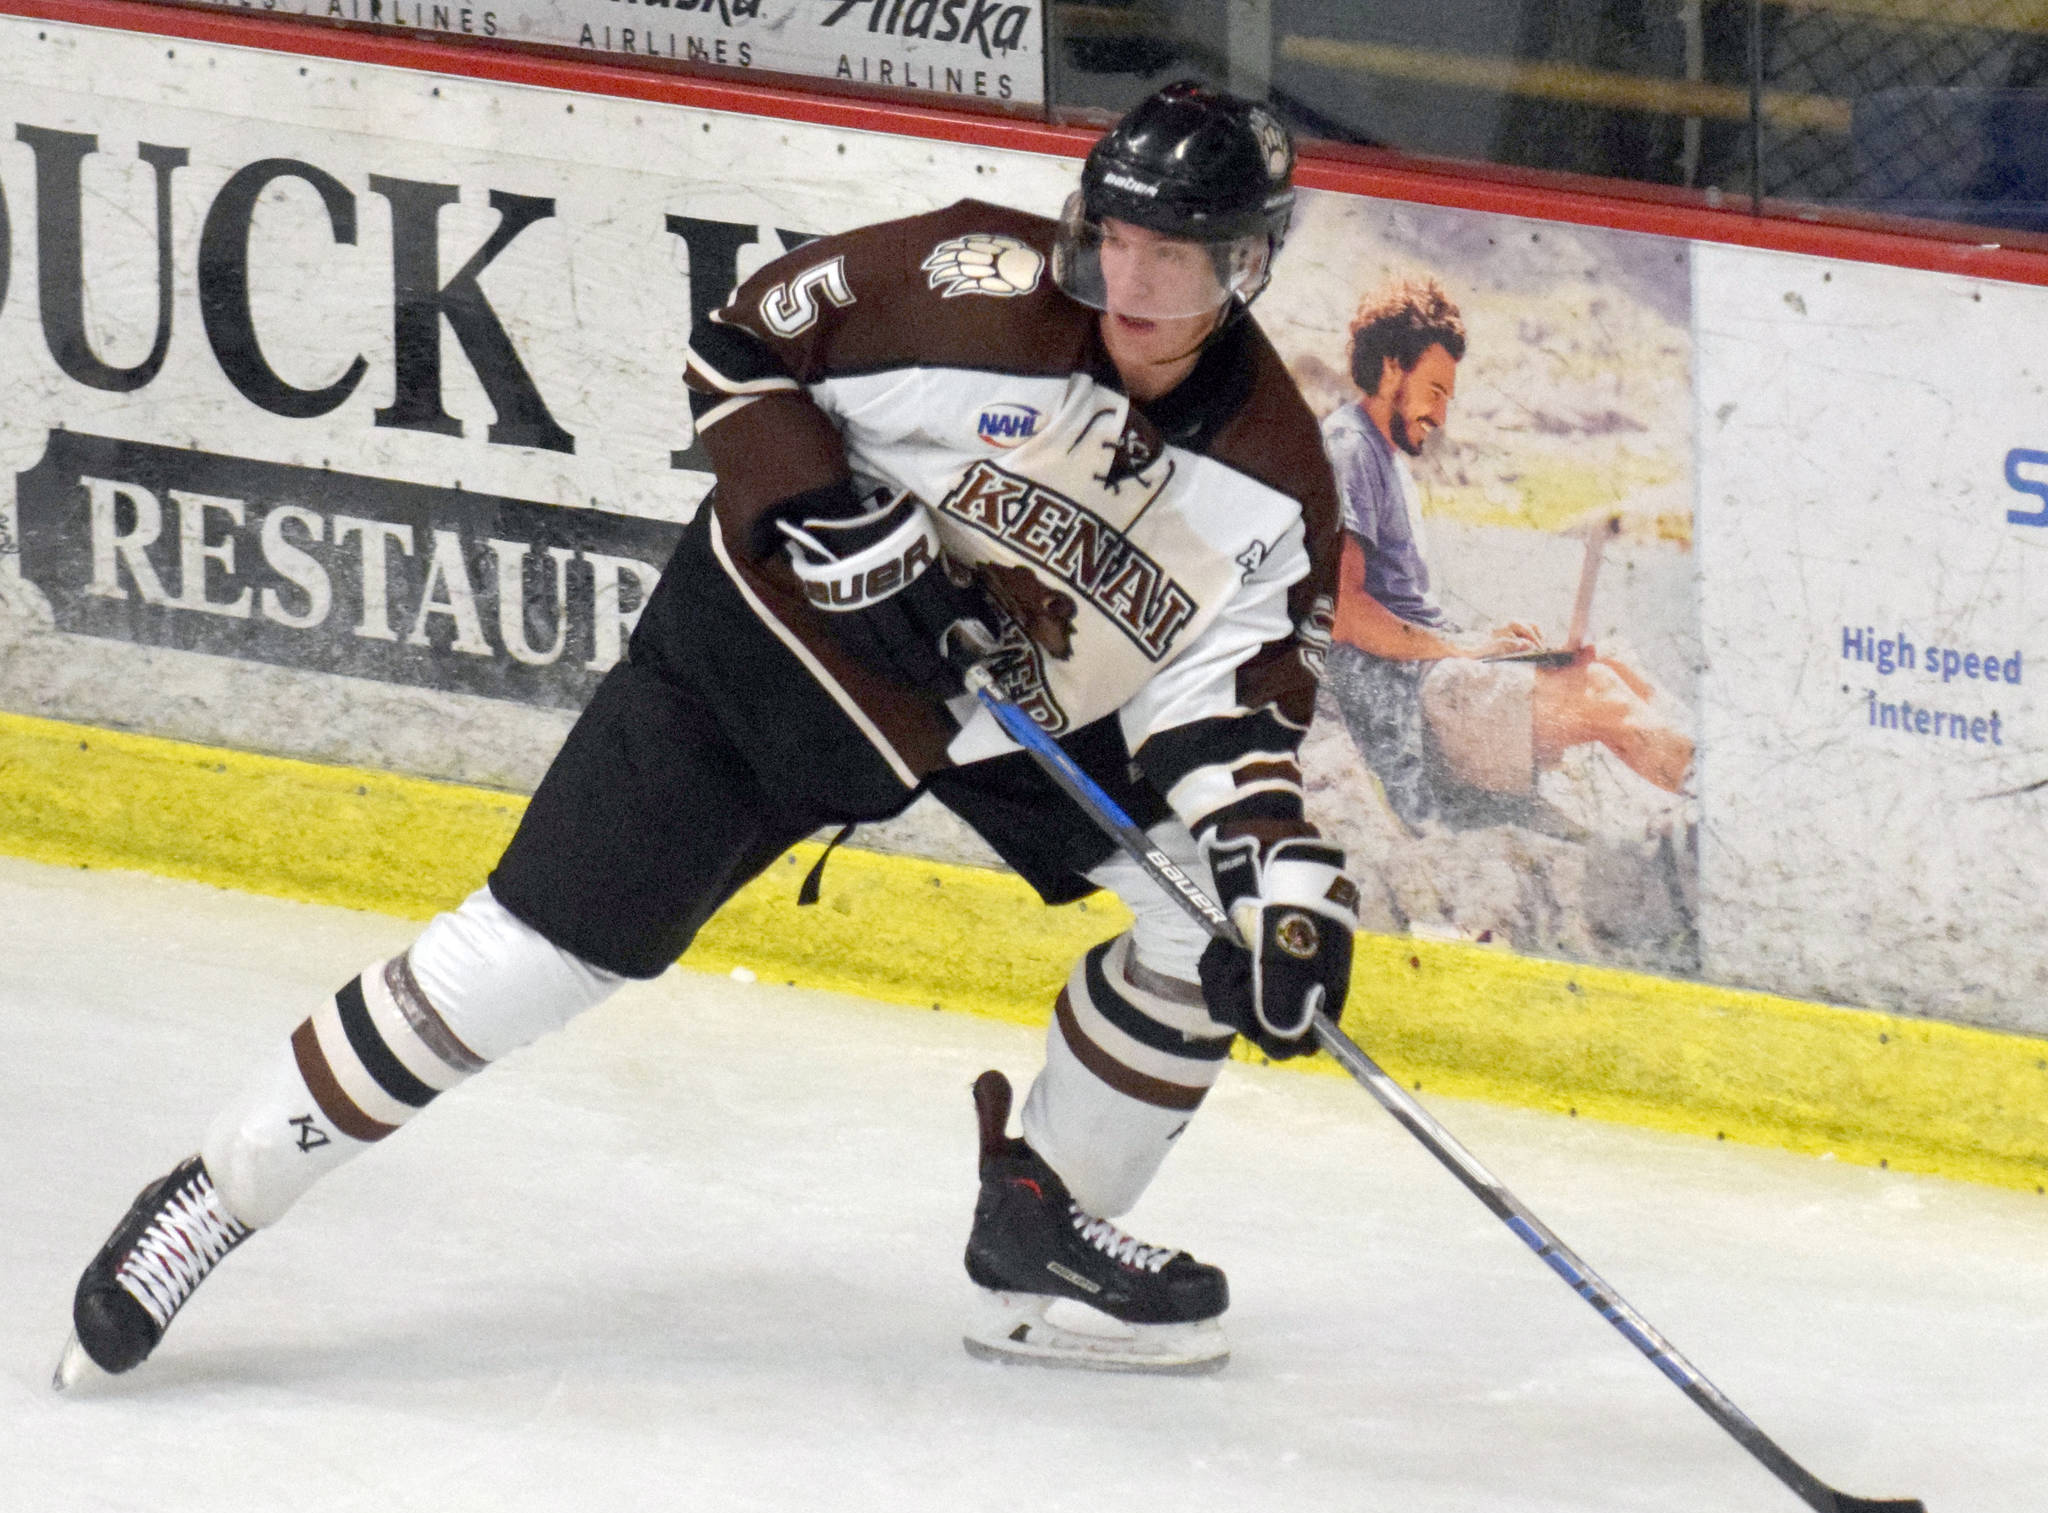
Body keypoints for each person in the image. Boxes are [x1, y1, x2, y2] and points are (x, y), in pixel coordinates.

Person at [59, 83, 1354, 1383]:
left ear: (1243, 265)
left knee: (1207, 921)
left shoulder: (1273, 477)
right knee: (520, 964)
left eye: (1172, 254)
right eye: (1116, 237)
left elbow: (1227, 710)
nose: (1130, 277)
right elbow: (741, 344)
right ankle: (217, 1195)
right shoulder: (968, 283)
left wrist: (1286, 896)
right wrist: (827, 516)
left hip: (997, 715)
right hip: (758, 661)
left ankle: (1041, 1241)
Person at [1321, 278, 1693, 831]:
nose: (1442, 415)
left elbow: (1402, 609)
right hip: (1407, 704)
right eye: (1436, 391)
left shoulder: (1387, 455)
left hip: (1429, 680)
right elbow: (1345, 616)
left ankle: (1711, 769)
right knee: (1598, 692)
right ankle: (1725, 803)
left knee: (1607, 662)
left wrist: (1485, 644)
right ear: (1393, 368)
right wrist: (1465, 650)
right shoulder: (1350, 448)